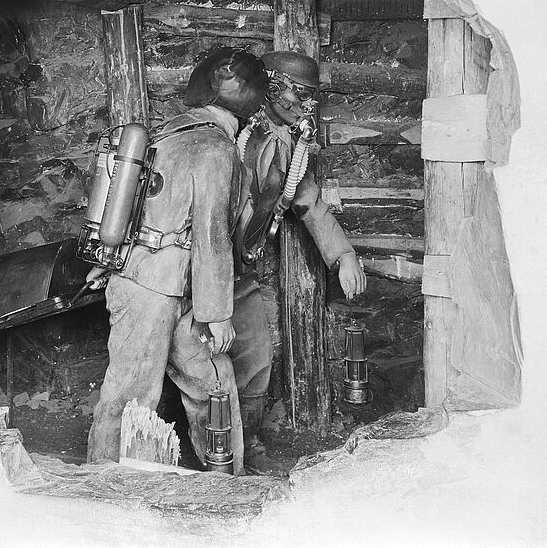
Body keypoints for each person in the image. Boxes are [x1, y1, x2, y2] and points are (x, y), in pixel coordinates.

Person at [86, 47, 268, 474]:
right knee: (132, 392)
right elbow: (211, 236)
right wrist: (218, 315)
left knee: (212, 381)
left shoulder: (167, 133)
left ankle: (225, 478)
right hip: (153, 286)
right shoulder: (215, 148)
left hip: (166, 284)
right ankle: (102, 485)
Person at [229, 50, 367, 474]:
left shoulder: (290, 146)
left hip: (239, 271)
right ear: (271, 86)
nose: (308, 105)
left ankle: (244, 447)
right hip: (193, 267)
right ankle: (208, 457)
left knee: (254, 359)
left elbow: (308, 205)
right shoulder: (228, 130)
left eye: (312, 96)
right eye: (300, 93)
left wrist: (343, 255)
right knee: (200, 368)